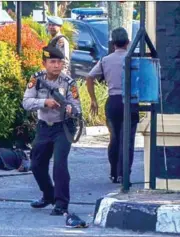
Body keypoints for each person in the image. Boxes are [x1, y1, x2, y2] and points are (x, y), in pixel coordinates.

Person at [22, 46, 81, 216]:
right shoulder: (37, 79)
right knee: (36, 164)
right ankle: (48, 195)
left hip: (63, 127)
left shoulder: (69, 82)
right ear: (44, 63)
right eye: (52, 62)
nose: (56, 65)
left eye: (59, 62)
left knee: (60, 165)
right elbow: (26, 102)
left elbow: (76, 106)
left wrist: (70, 108)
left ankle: (61, 204)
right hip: (44, 126)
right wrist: (44, 102)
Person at [85, 27, 139, 184]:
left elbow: (89, 77)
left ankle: (114, 173)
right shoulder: (132, 60)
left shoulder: (105, 60)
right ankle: (124, 174)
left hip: (113, 101)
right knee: (127, 140)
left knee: (114, 138)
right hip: (130, 101)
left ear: (113, 43)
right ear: (128, 43)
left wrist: (93, 99)